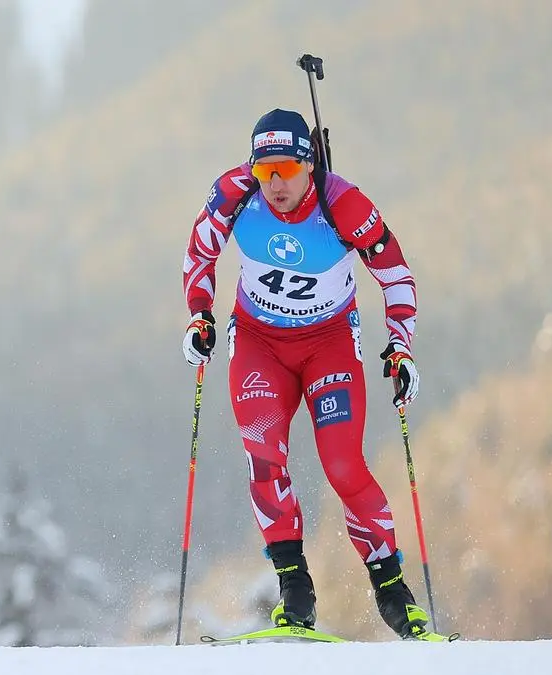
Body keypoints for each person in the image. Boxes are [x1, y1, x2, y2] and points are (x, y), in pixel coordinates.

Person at [180, 108, 431, 639]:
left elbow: (396, 275)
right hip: (259, 343)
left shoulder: (344, 204)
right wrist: (201, 315)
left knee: (342, 464)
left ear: (309, 165)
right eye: (264, 171)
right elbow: (200, 252)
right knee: (264, 455)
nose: (275, 184)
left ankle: (392, 591)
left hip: (329, 344)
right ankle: (295, 590)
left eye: (288, 171)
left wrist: (401, 348)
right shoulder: (235, 194)